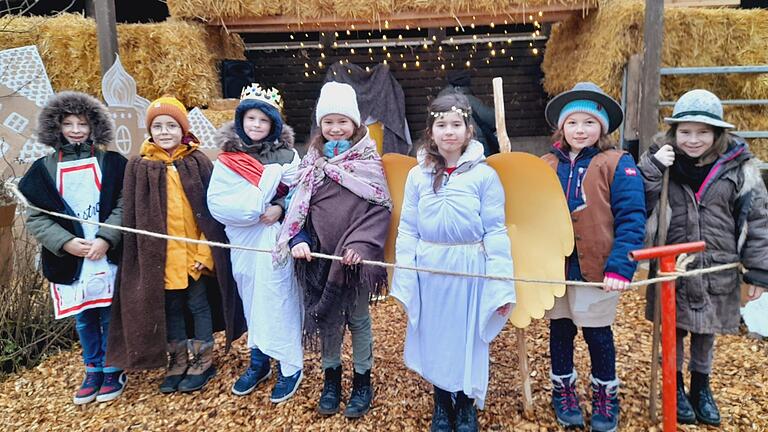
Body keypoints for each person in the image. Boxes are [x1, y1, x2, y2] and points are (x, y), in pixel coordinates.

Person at [638, 89, 768, 427]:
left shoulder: (739, 168)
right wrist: (653, 168)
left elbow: (756, 219)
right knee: (674, 330)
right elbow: (640, 198)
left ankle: (701, 387)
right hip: (672, 265)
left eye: (703, 132)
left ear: (718, 134)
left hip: (717, 265)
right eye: (685, 132)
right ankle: (675, 387)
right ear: (674, 132)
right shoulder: (660, 160)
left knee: (706, 332)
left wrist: (757, 271)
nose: (693, 140)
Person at [390, 92, 516, 432]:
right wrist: (406, 271)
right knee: (436, 336)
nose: (449, 132)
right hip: (431, 268)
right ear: (431, 131)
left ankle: (465, 405)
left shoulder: (484, 176)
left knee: (467, 336)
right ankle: (442, 403)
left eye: (456, 124)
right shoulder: (418, 176)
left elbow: (494, 230)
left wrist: (501, 278)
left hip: (469, 267)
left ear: (468, 131)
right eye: (441, 125)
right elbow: (408, 228)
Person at [106, 96, 245, 394]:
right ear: (150, 130)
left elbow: (210, 214)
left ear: (183, 129)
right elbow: (134, 216)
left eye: (172, 125)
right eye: (158, 126)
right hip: (160, 258)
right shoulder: (139, 166)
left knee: (198, 304)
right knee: (171, 308)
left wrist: (205, 252)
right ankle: (178, 360)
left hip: (194, 256)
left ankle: (202, 361)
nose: (165, 131)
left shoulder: (197, 162)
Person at [275, 81, 392, 418]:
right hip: (319, 258)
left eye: (342, 121)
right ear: (320, 125)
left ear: (355, 124)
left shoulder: (368, 162)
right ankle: (331, 379)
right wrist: (299, 241)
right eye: (328, 122)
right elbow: (299, 208)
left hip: (352, 260)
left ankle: (362, 380)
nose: (335, 128)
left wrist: (360, 245)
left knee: (357, 320)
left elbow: (379, 209)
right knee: (327, 321)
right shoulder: (311, 164)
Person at [541, 82, 646, 432]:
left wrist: (621, 265)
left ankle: (604, 395)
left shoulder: (616, 163)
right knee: (561, 331)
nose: (580, 130)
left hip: (597, 267)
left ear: (601, 126)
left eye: (589, 122)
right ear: (562, 127)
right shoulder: (547, 164)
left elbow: (632, 218)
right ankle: (564, 391)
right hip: (557, 268)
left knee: (598, 335)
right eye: (573, 123)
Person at [18, 91, 127, 404]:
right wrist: (66, 242)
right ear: (57, 127)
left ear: (95, 127)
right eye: (69, 123)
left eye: (83, 123)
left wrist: (106, 238)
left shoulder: (111, 162)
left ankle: (113, 367)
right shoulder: (43, 170)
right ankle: (92, 367)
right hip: (71, 256)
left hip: (106, 250)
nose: (76, 129)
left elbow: (123, 203)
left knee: (108, 312)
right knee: (84, 316)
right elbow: (37, 218)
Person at [207, 84, 304, 402]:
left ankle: (289, 365)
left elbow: (302, 193)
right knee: (251, 297)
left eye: (264, 120)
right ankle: (259, 361)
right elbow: (220, 201)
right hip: (245, 240)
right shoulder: (228, 159)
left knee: (277, 297)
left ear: (273, 124)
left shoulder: (288, 156)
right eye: (251, 118)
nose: (256, 125)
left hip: (275, 236)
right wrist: (253, 204)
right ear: (241, 120)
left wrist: (279, 207)